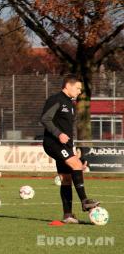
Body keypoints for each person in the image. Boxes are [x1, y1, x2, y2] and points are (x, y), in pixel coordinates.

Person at [40, 74, 99, 224]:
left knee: (66, 179)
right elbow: (45, 118)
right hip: (53, 143)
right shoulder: (56, 100)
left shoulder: (70, 103)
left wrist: (71, 148)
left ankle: (68, 215)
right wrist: (58, 134)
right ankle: (85, 202)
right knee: (76, 165)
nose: (79, 91)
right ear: (68, 85)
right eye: (78, 88)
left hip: (64, 145)